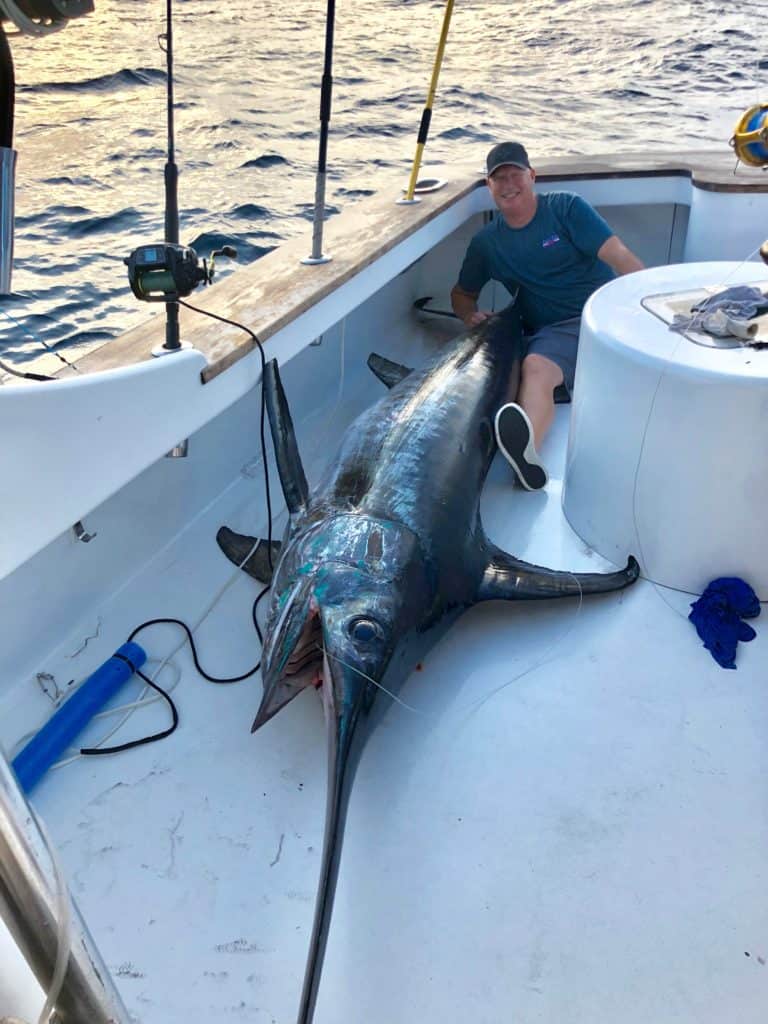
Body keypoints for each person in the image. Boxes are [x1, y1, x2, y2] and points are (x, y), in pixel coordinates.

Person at [451, 141, 644, 490]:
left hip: (604, 313)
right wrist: (469, 316)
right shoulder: (486, 244)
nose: (509, 184)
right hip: (554, 331)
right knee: (535, 369)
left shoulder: (567, 209)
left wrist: (648, 302)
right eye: (499, 178)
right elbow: (462, 294)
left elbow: (617, 254)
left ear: (532, 176)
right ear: (489, 186)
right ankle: (528, 459)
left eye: (515, 174)